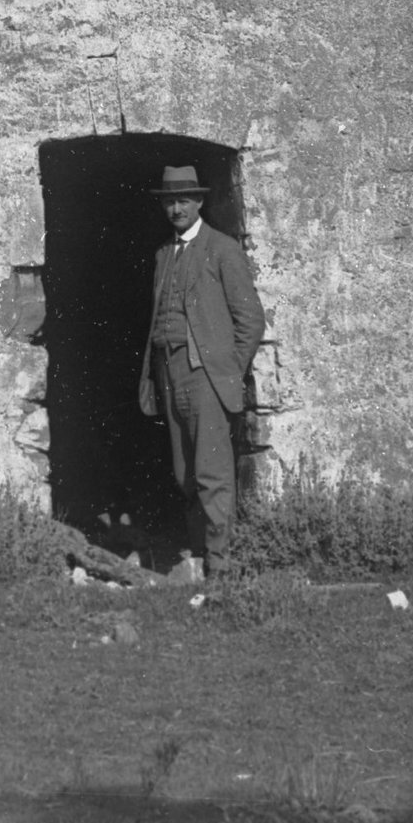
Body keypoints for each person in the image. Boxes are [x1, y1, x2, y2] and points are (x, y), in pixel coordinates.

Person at [137, 163, 266, 585]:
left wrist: (226, 370)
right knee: (183, 472)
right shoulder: (162, 254)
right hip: (169, 371)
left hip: (206, 376)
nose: (176, 208)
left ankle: (220, 568)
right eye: (169, 201)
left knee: (212, 473)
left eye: (184, 200)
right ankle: (197, 557)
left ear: (199, 202)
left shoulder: (222, 249)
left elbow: (250, 320)